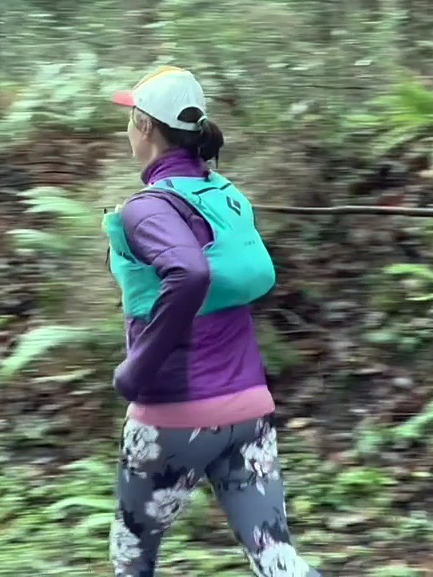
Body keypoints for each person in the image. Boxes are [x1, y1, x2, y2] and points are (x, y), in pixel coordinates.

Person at [102, 66, 322, 577]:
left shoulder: (147, 211)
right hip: (247, 408)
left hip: (174, 415)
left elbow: (189, 273)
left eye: (131, 120)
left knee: (131, 556)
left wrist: (137, 370)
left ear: (145, 126)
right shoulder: (225, 195)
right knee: (275, 556)